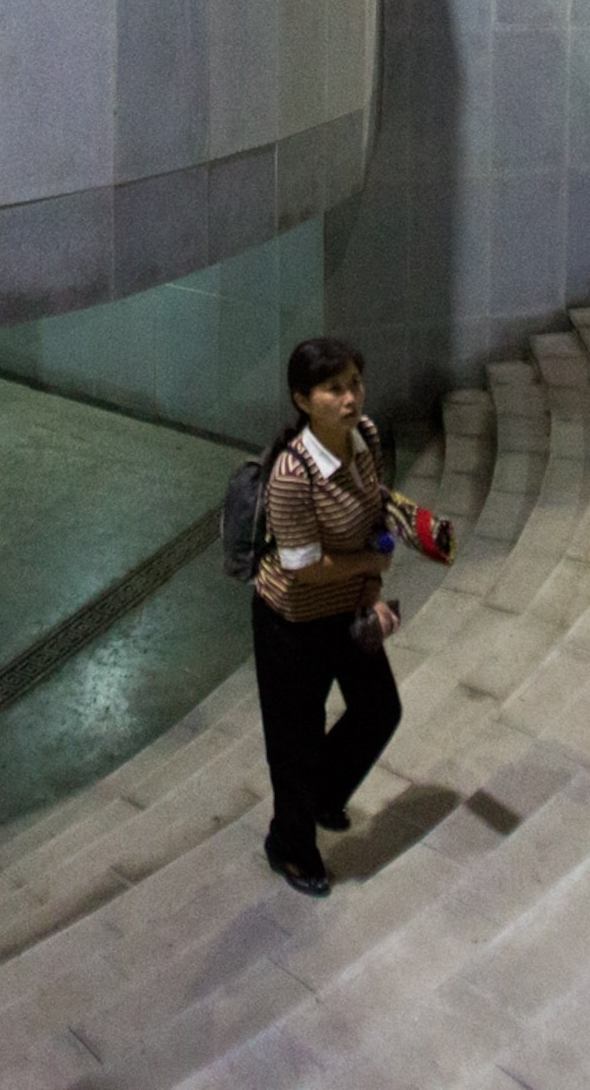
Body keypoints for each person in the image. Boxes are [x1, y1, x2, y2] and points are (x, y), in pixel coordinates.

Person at [249, 337, 405, 897]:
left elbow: (373, 509)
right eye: (334, 389)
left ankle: (321, 795)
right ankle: (289, 847)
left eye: (355, 384)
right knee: (295, 741)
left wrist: (375, 581)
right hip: (291, 623)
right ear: (302, 399)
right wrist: (372, 562)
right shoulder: (292, 474)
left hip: (347, 607)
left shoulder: (366, 438)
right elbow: (303, 569)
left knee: (379, 709)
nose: (350, 398)